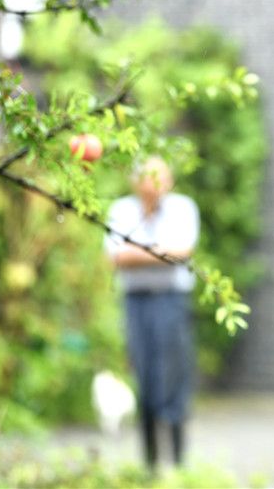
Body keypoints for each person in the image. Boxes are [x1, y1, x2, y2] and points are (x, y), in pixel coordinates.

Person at [104, 156, 199, 471]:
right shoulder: (122, 210)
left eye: (160, 178)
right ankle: (150, 463)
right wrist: (159, 251)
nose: (154, 186)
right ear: (136, 182)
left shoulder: (183, 207)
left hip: (171, 300)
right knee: (143, 376)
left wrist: (139, 252)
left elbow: (182, 252)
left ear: (169, 181)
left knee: (173, 375)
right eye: (148, 178)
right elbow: (116, 256)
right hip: (136, 301)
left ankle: (179, 461)